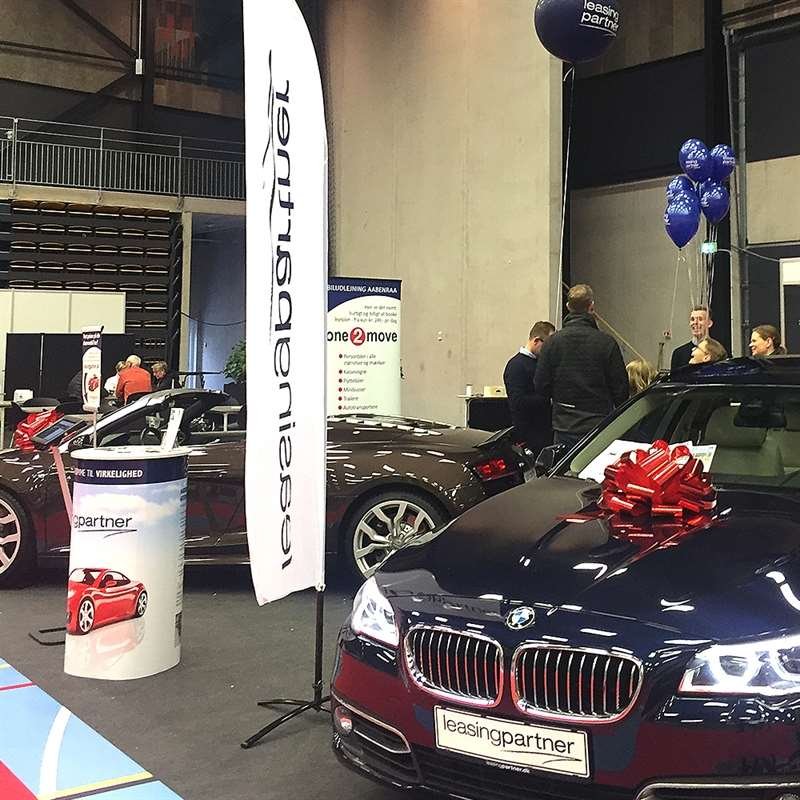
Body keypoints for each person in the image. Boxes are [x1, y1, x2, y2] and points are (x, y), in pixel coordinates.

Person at [535, 284, 629, 452]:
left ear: (568, 307)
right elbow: (621, 390)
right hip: (598, 426)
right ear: (591, 306)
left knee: (564, 476)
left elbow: (541, 386)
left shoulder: (552, 343)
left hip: (564, 426)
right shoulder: (606, 343)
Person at [502, 321, 555, 456]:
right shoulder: (516, 366)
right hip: (528, 434)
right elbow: (518, 401)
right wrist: (548, 400)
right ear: (537, 341)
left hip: (544, 431)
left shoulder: (541, 364)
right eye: (548, 346)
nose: (550, 351)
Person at [671, 306, 713, 371]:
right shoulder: (678, 354)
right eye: (692, 319)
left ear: (709, 323)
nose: (695, 322)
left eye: (700, 319)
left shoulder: (717, 351)